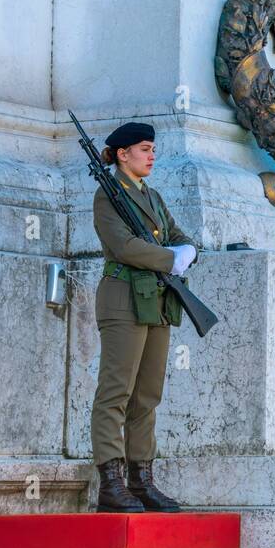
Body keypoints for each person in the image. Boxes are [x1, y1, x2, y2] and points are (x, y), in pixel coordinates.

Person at [89, 120, 199, 513]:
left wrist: (187, 251)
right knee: (115, 392)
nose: (152, 156)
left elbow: (179, 235)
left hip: (156, 300)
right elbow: (125, 247)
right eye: (144, 149)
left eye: (152, 149)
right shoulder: (108, 196)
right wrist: (172, 257)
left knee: (147, 396)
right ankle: (111, 483)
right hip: (123, 299)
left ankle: (141, 481)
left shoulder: (151, 196)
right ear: (123, 154)